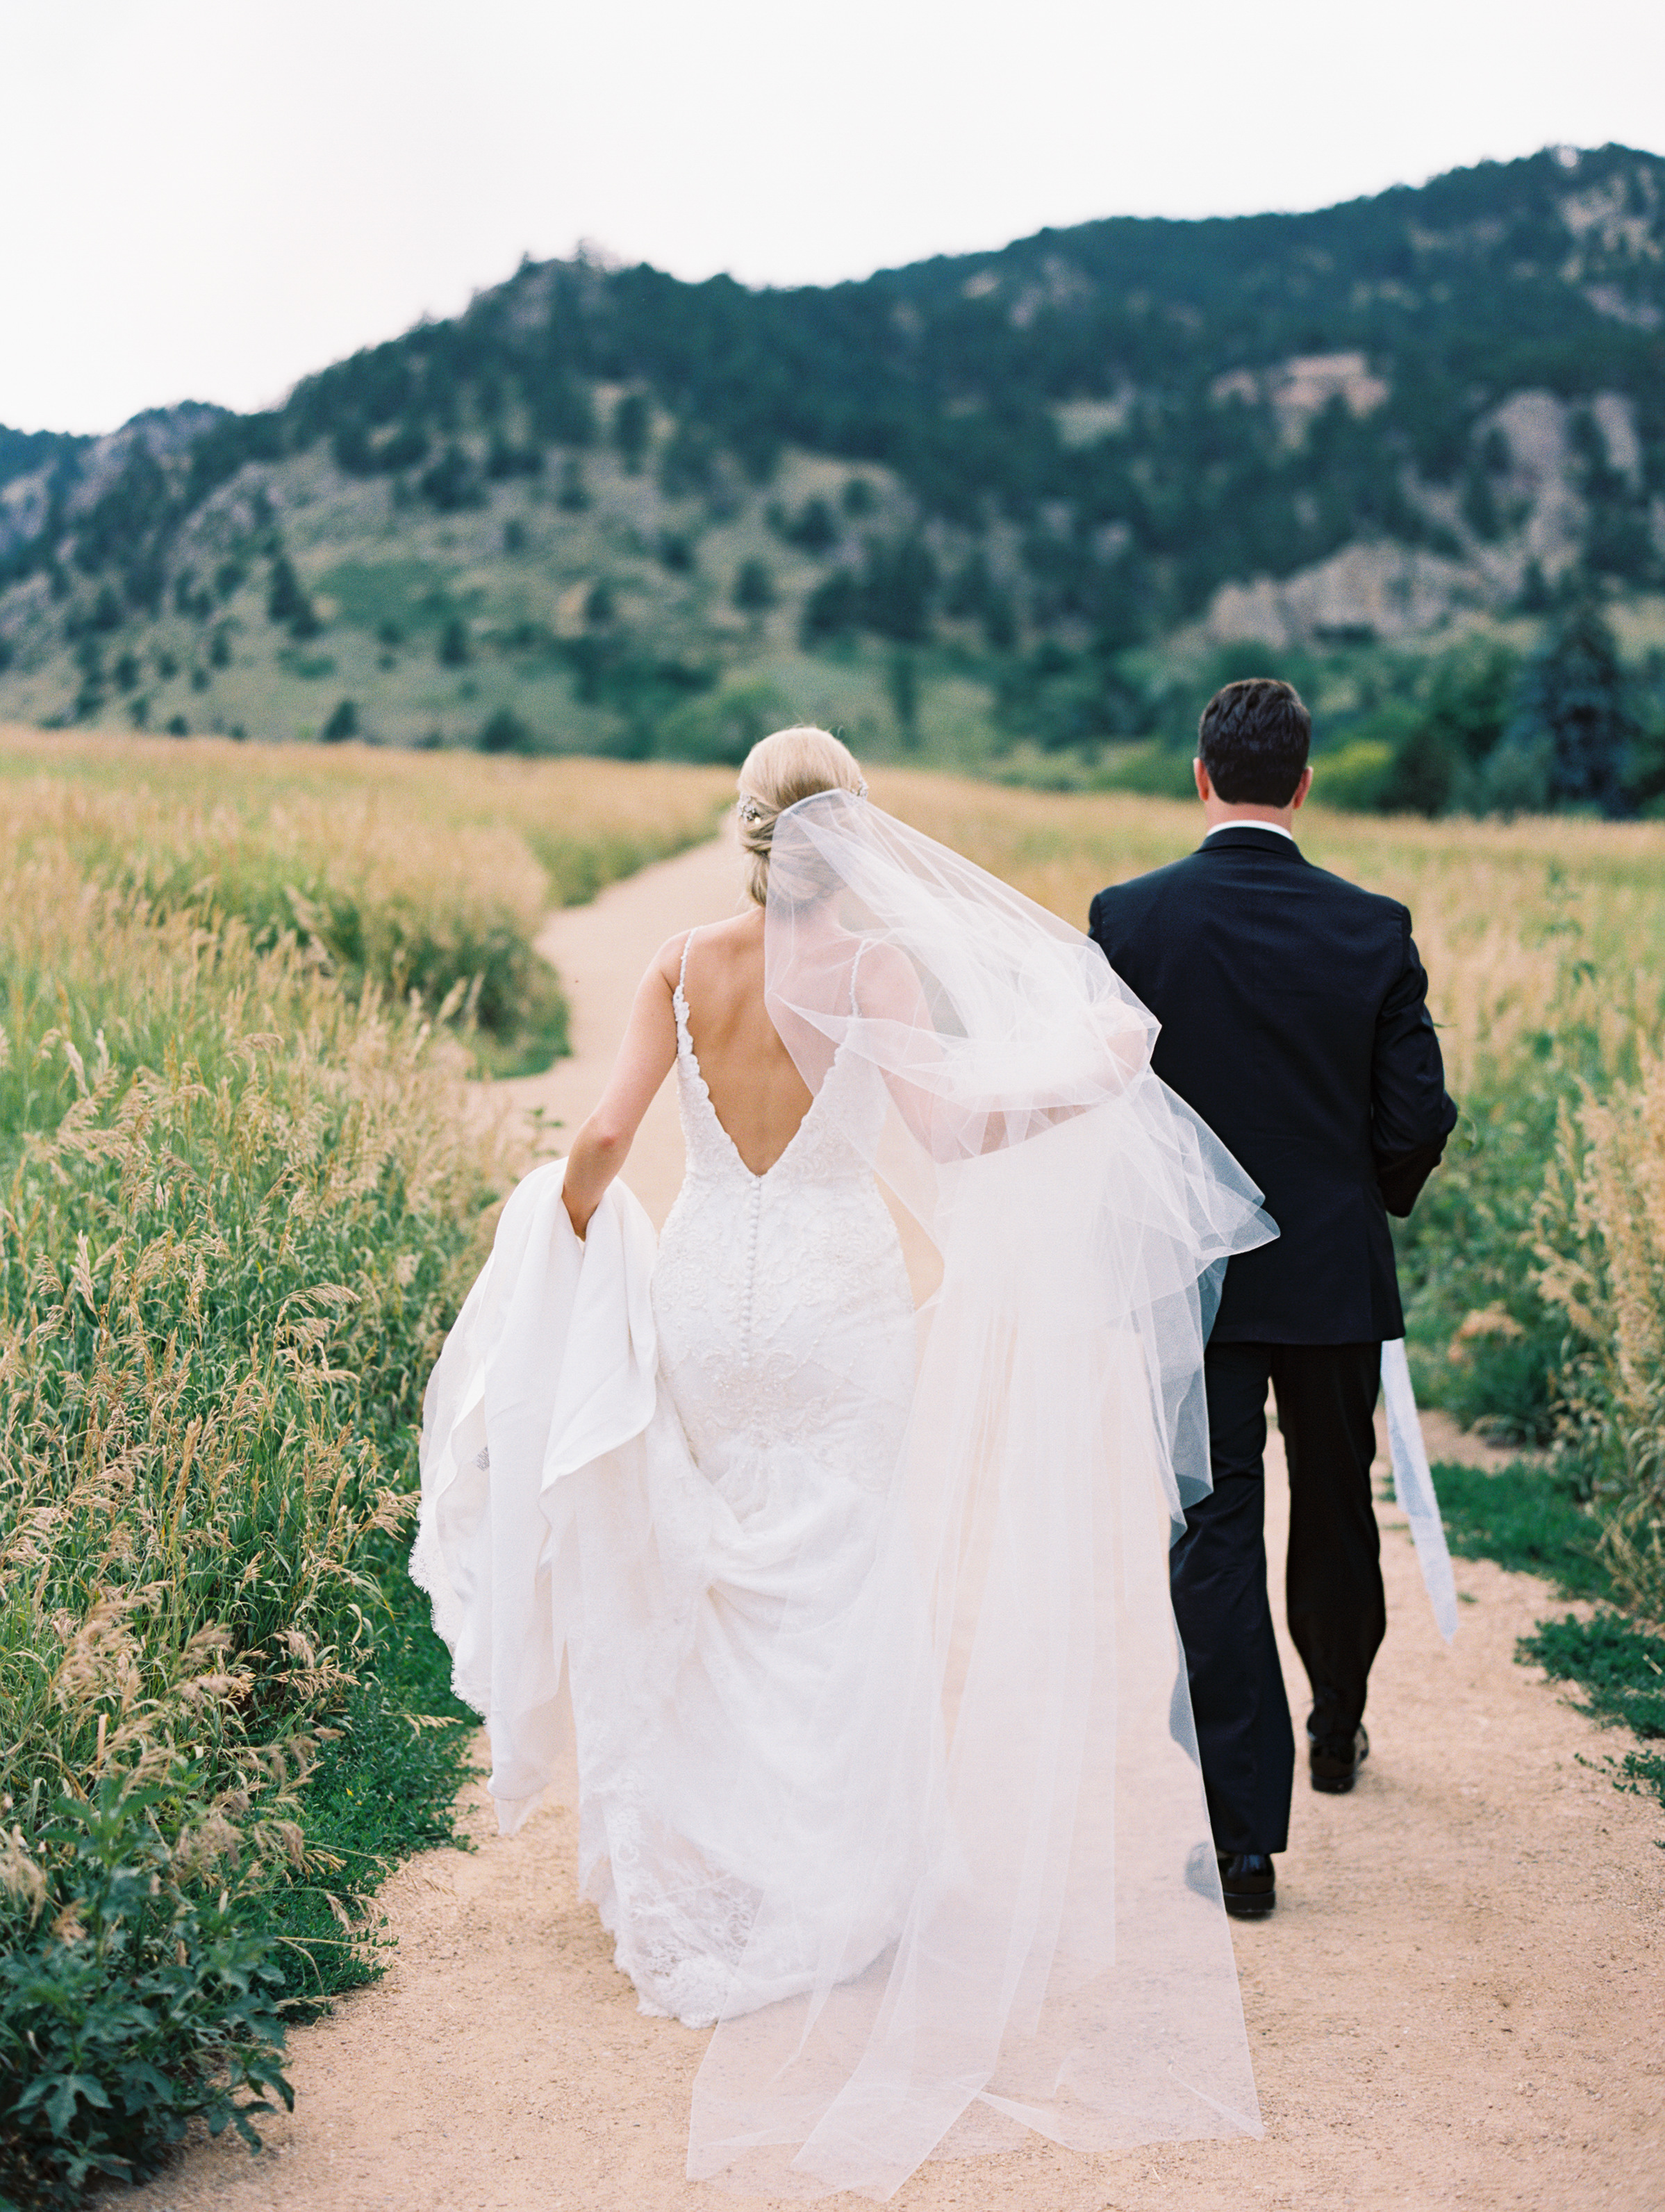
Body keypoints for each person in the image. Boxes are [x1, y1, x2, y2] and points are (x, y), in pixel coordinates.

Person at [414, 726, 1276, 2198]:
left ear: (745, 829)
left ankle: (707, 1875)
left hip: (704, 1291)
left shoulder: (681, 964)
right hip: (834, 1303)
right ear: (855, 836)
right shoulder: (874, 972)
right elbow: (951, 1128)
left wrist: (557, 1248)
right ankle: (821, 1880)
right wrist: (1094, 1080)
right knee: (838, 1582)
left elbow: (607, 1132)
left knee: (713, 1570)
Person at [1088, 678, 1458, 1924]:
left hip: (1188, 1280)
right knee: (1335, 1499)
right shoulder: (1372, 925)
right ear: (1304, 784)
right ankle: (1338, 1722)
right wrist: (1362, 1197)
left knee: (1214, 1523)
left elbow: (1106, 1110)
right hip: (1330, 1274)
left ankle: (1241, 1843)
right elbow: (1416, 1117)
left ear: (1201, 777)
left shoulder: (1126, 923)